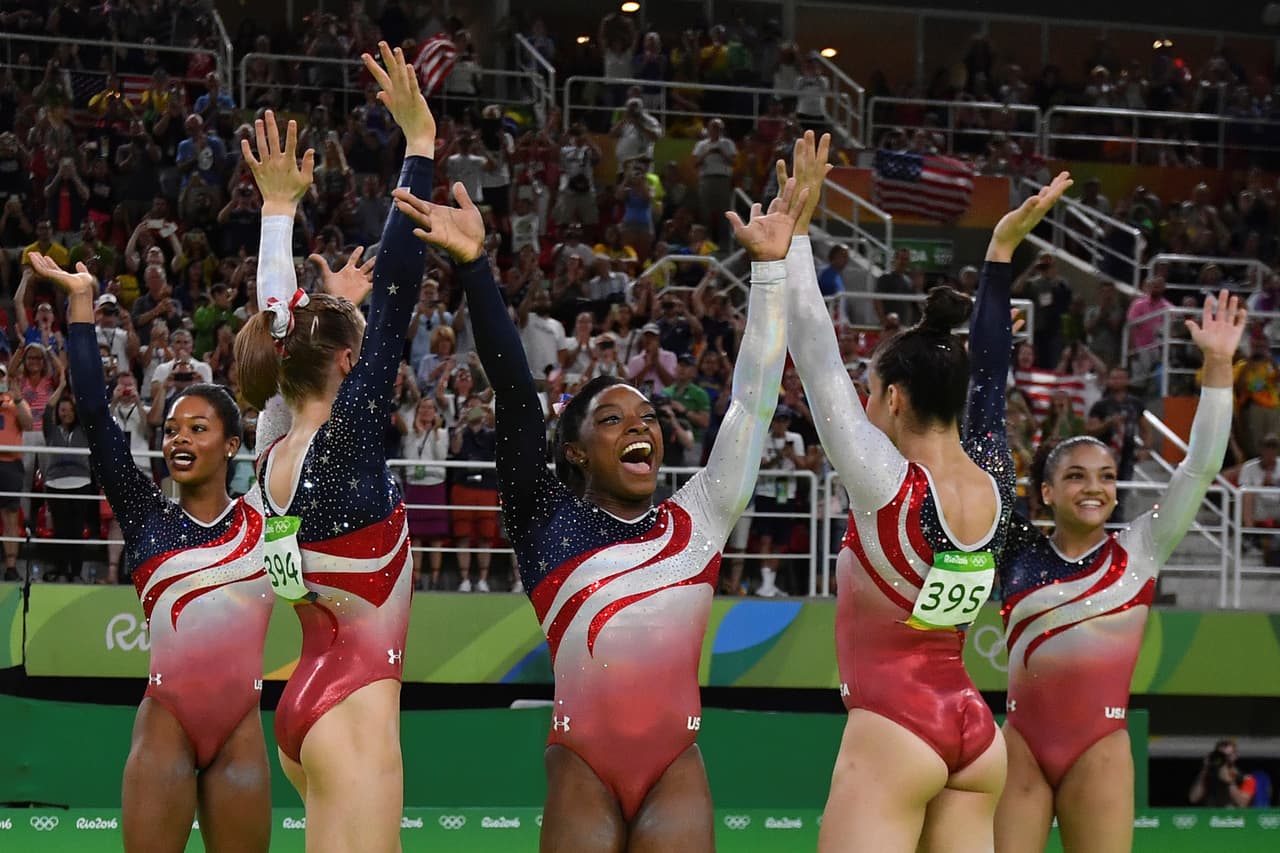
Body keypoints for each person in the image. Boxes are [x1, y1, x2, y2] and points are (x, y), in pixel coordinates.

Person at [391, 170, 807, 849]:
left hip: (677, 765)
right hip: (583, 765)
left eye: (646, 415)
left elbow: (753, 403)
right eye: (611, 419)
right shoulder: (544, 520)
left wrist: (767, 273)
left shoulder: (698, 518)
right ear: (577, 451)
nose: (638, 426)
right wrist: (474, 267)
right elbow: (520, 399)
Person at [784, 130, 1072, 852]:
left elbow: (817, 360)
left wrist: (794, 236)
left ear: (897, 399)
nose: (863, 399)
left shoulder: (886, 483)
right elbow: (993, 374)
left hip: (894, 726)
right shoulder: (992, 476)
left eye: (872, 389)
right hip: (975, 732)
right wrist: (999, 257)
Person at [232, 43, 434, 852]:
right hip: (355, 701)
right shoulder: (344, 444)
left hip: (307, 693)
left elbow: (280, 326)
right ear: (348, 360)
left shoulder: (272, 446)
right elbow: (397, 293)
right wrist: (418, 145)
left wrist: (278, 212)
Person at [29, 252, 271, 852]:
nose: (178, 439)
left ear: (233, 444)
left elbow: (300, 409)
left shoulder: (265, 515)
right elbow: (92, 410)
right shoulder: (145, 515)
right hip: (167, 721)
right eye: (170, 430)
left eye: (197, 429)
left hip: (242, 728)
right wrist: (81, 303)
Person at [995, 290, 1242, 853]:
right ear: (1048, 492)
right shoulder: (1013, 546)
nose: (1096, 488)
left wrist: (1219, 368)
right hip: (1021, 747)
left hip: (1098, 747)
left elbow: (1201, 465)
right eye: (1078, 477)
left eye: (1106, 477)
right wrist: (991, 355)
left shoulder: (1141, 548)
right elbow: (975, 446)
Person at [1189, 739, 1257, 808]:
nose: (1224, 759)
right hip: (1212, 817)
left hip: (1233, 817)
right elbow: (1193, 798)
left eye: (1228, 755)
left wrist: (1229, 781)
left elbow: (1242, 803)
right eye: (1221, 755)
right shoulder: (1209, 775)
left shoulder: (1247, 779)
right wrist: (1205, 769)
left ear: (1235, 756)